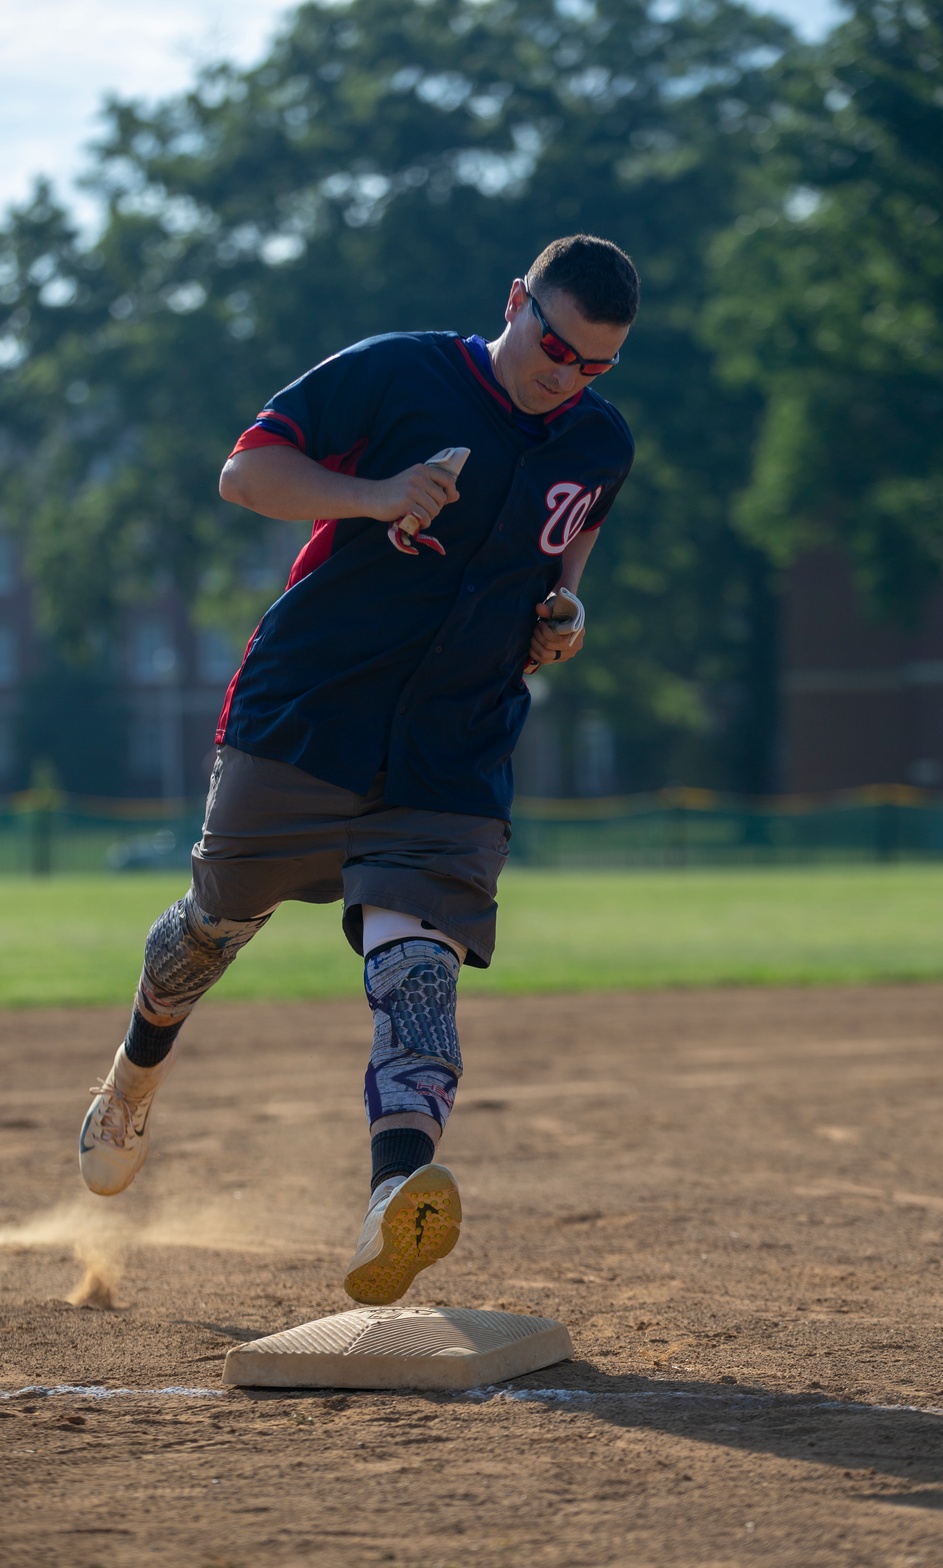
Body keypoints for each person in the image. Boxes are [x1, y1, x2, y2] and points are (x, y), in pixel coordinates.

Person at [79, 233, 638, 1305]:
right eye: (554, 346)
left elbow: (563, 577)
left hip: (453, 742)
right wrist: (377, 493)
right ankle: (132, 1077)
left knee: (416, 967)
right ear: (513, 299)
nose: (564, 376)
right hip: (310, 712)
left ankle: (395, 1197)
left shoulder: (597, 443)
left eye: (593, 366)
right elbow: (247, 472)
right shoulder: (397, 370)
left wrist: (565, 620)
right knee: (214, 922)